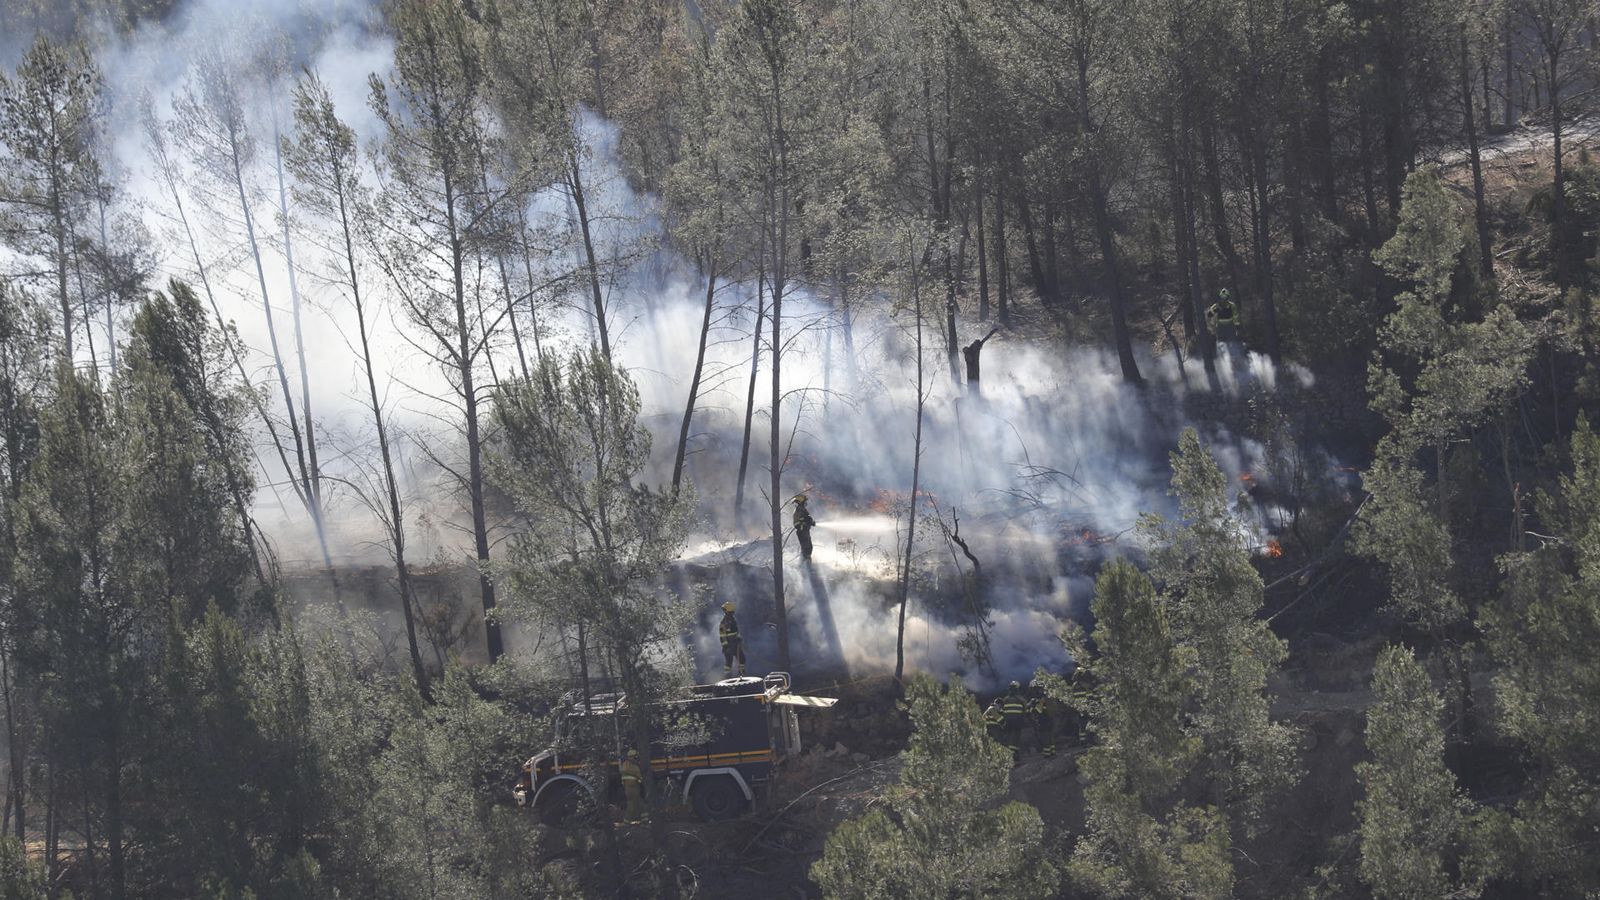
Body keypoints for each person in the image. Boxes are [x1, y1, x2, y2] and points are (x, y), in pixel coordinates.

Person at [1001, 680, 1029, 761]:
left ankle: (1010, 756)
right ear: (1018, 689)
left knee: (1009, 738)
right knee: (1015, 739)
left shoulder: (1005, 699)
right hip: (1017, 722)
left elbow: (1001, 711)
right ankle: (1013, 757)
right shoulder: (1021, 699)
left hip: (1007, 722)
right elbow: (1026, 712)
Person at [1029, 679, 1056, 759]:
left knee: (1045, 738)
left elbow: (1039, 710)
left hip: (1042, 721)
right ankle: (1053, 753)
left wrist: (1033, 707)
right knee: (1050, 737)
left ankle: (1047, 754)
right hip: (1049, 719)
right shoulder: (1047, 696)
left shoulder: (1038, 699)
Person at [719, 601, 746, 677]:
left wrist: (739, 638)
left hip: (736, 644)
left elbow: (736, 632)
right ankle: (727, 677)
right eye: (731, 612)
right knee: (729, 662)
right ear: (727, 612)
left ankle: (742, 674)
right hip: (729, 645)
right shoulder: (723, 623)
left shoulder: (733, 620)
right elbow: (722, 636)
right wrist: (725, 646)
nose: (732, 614)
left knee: (742, 658)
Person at [620, 749, 644, 823]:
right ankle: (626, 822)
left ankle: (645, 820)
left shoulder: (624, 764)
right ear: (634, 757)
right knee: (632, 805)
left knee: (640, 804)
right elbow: (639, 776)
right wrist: (642, 781)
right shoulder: (634, 766)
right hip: (633, 788)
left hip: (628, 788)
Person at [792, 494, 817, 560]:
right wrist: (806, 521)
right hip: (802, 531)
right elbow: (797, 524)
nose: (806, 503)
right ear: (801, 502)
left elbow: (807, 518)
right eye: (804, 501)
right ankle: (805, 566)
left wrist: (811, 522)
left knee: (808, 548)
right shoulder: (799, 510)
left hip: (804, 531)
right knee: (807, 549)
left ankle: (806, 565)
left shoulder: (802, 510)